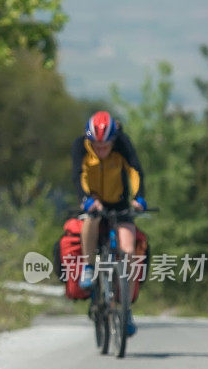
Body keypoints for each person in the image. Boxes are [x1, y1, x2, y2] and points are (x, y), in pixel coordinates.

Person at [71, 110, 146, 335]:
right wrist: (85, 200)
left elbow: (135, 170)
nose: (101, 150)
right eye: (97, 145)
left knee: (129, 251)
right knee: (90, 221)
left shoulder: (122, 143)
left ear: (114, 140)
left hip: (119, 202)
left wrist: (139, 197)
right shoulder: (80, 146)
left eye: (106, 146)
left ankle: (126, 311)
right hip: (93, 201)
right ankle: (89, 266)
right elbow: (78, 174)